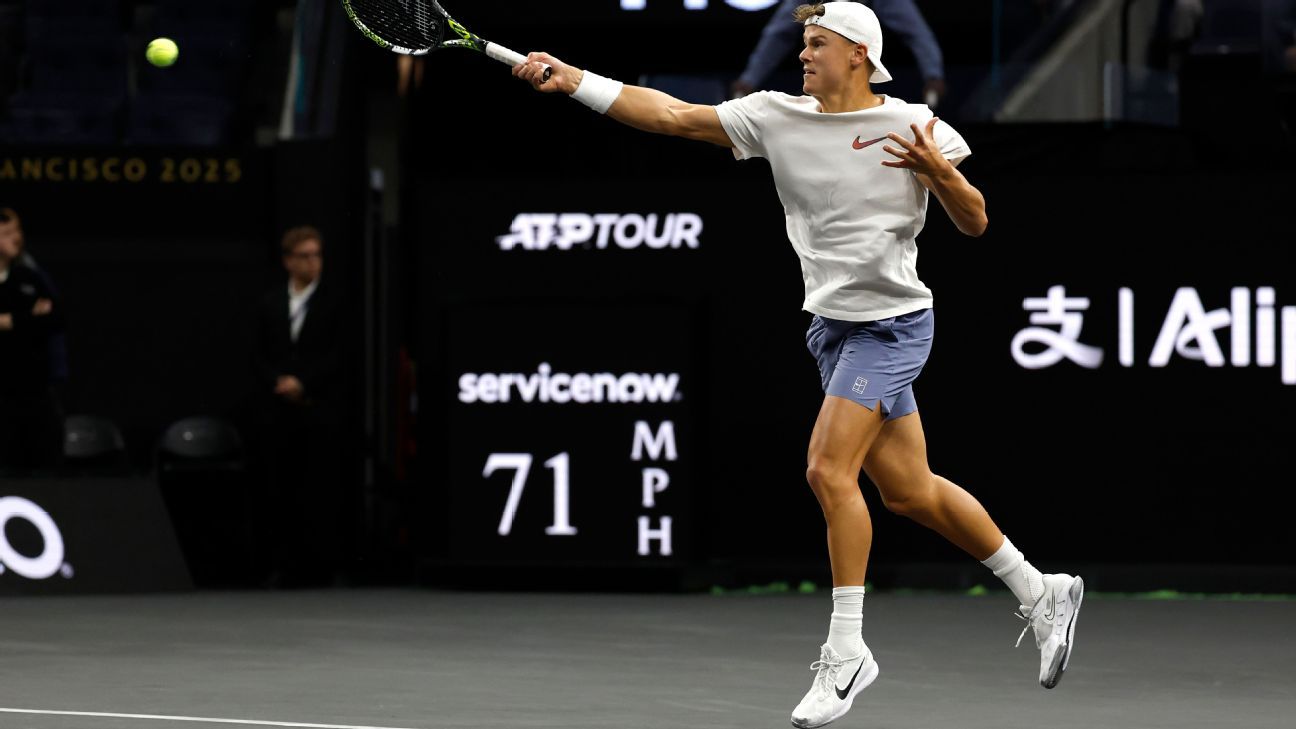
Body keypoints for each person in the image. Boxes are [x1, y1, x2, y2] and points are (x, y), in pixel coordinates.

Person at [511, 3, 1083, 727]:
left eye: (816, 44)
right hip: (832, 331)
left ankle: (847, 650)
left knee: (826, 470)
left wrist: (939, 172)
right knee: (909, 492)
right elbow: (672, 116)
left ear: (859, 54)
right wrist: (577, 81)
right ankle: (1041, 589)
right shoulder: (775, 115)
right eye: (802, 43)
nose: (802, 54)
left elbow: (975, 220)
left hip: (894, 326)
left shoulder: (914, 123)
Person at [250, 225, 348, 587]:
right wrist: (279, 381)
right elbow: (258, 354)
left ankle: (321, 566)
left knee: (319, 489)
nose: (313, 263)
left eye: (317, 255)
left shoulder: (334, 303)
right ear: (288, 261)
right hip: (278, 410)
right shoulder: (271, 303)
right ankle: (279, 565)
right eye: (304, 256)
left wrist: (303, 382)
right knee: (278, 487)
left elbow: (338, 354)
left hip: (318, 407)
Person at [732, 0, 947, 109]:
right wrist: (748, 80)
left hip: (871, 74)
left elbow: (916, 33)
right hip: (823, 78)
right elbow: (777, 35)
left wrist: (933, 75)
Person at [0, 207, 65, 474]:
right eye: (6, 233)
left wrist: (11, 320)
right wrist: (29, 317)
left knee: (44, 458)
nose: (16, 238)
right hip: (2, 395)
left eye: (18, 231)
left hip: (34, 389)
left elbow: (55, 319)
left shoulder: (31, 277)